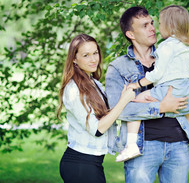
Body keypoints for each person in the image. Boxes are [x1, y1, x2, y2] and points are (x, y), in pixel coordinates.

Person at [105, 6, 189, 183]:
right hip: (142, 148)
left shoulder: (174, 55)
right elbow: (118, 110)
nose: (152, 28)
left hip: (179, 145)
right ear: (131, 34)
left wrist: (166, 107)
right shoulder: (118, 67)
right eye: (145, 25)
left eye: (152, 23)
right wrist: (160, 107)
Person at [57, 34, 135, 183]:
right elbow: (97, 129)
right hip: (80, 164)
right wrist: (123, 101)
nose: (93, 59)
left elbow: (108, 114)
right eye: (86, 55)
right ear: (74, 59)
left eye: (95, 53)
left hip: (92, 163)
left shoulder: (95, 83)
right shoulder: (73, 89)